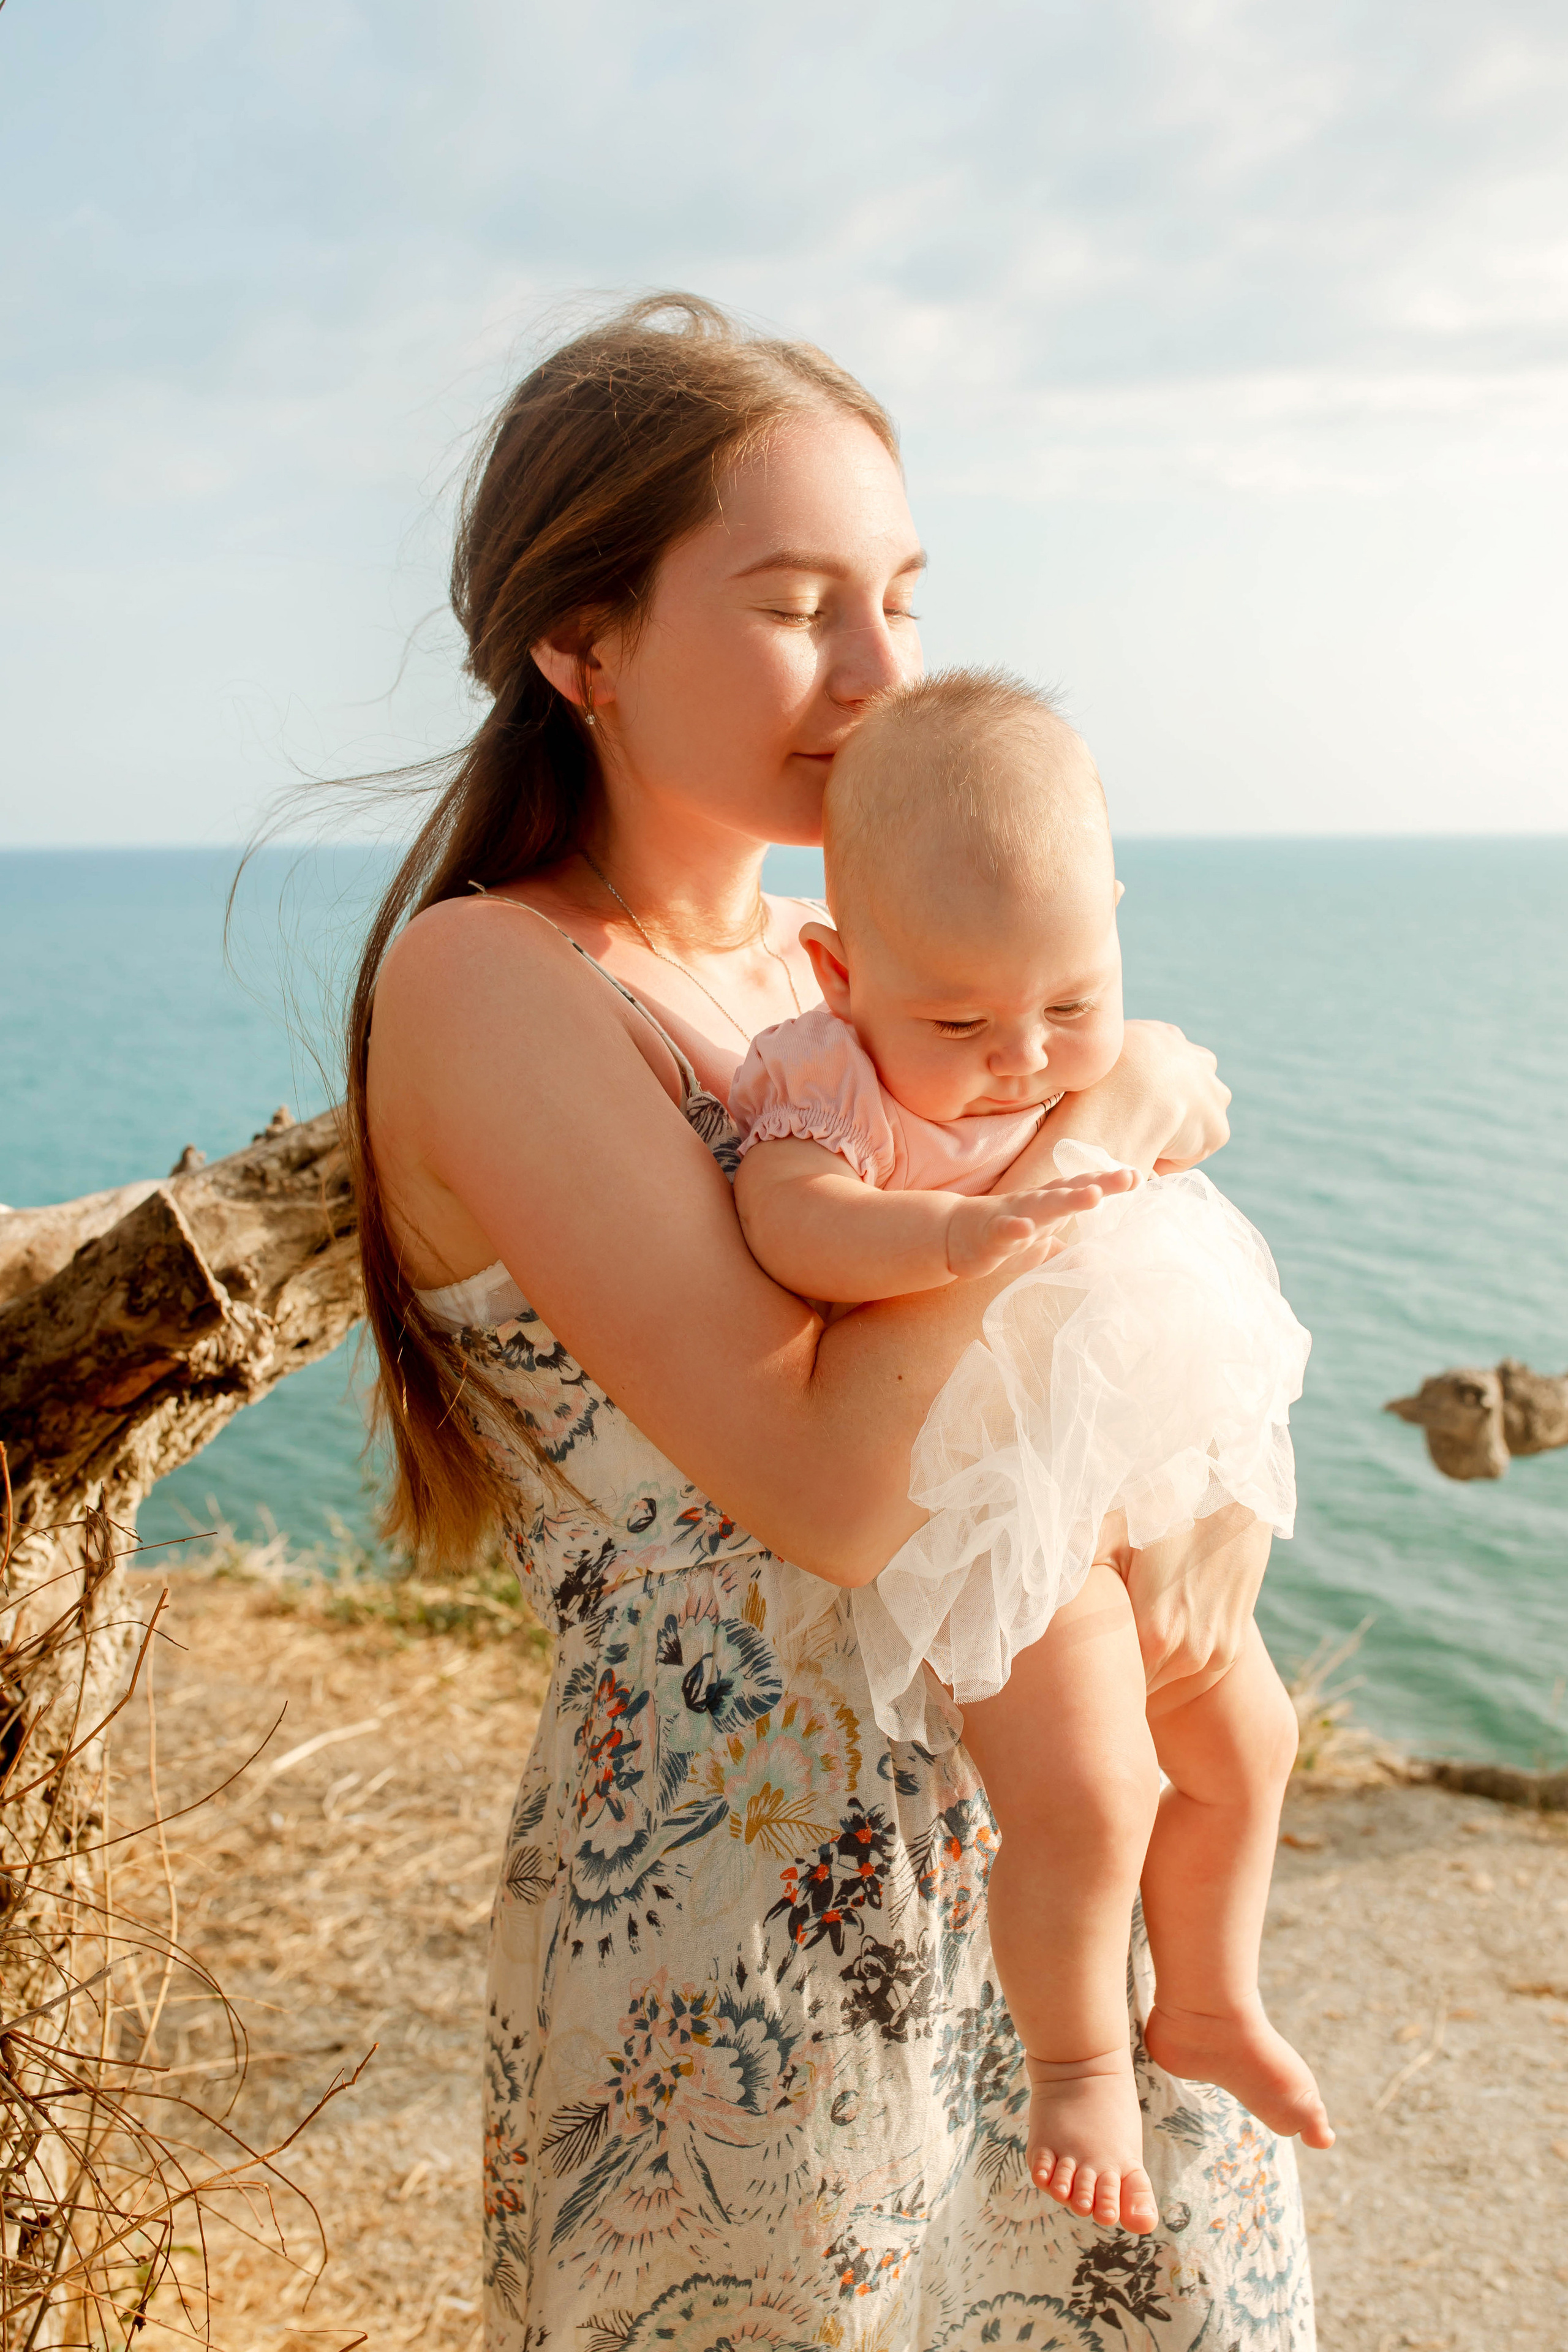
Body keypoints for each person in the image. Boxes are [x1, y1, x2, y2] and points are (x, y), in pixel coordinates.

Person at [353, 293, 1314, 2348]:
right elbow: (821, 1487)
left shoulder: (843, 958)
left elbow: (1086, 1359)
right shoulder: (497, 979)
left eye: (900, 595)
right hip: (757, 1930)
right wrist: (1115, 1122)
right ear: (578, 646)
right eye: (800, 607)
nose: (887, 677)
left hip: (1058, 1874)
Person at [729, 668, 1332, 2240]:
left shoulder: (1102, 1055)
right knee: (1091, 1787)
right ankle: (1079, 2060)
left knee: (1247, 1746)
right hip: (999, 1514)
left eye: (1070, 1004)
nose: (1024, 1057)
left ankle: (1202, 1994)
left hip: (1141, 1474)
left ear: (1111, 926)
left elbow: (1173, 1161)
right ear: (837, 967)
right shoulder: (824, 1077)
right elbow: (787, 1223)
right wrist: (951, 1227)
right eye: (958, 1021)